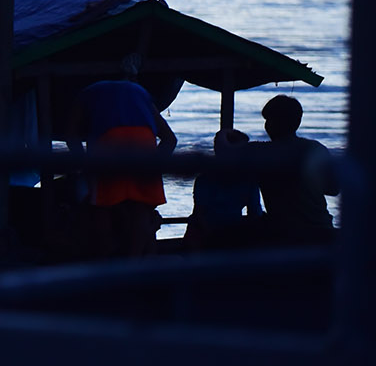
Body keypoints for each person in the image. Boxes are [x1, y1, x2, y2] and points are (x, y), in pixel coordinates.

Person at [71, 65, 175, 256]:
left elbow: (72, 137)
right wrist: (154, 166)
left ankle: (106, 259)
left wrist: (84, 166)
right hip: (144, 141)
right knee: (142, 208)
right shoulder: (141, 93)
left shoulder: (86, 93)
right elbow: (170, 139)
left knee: (102, 205)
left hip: (109, 141)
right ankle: (135, 262)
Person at [255, 94, 338, 243]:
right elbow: (334, 188)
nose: (267, 125)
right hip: (321, 231)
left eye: (269, 120)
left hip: (284, 236)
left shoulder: (260, 152)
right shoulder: (315, 149)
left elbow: (227, 151)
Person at [188, 128, 262, 250]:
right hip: (231, 238)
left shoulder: (204, 179)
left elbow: (200, 214)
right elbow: (255, 214)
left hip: (207, 238)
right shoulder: (248, 180)